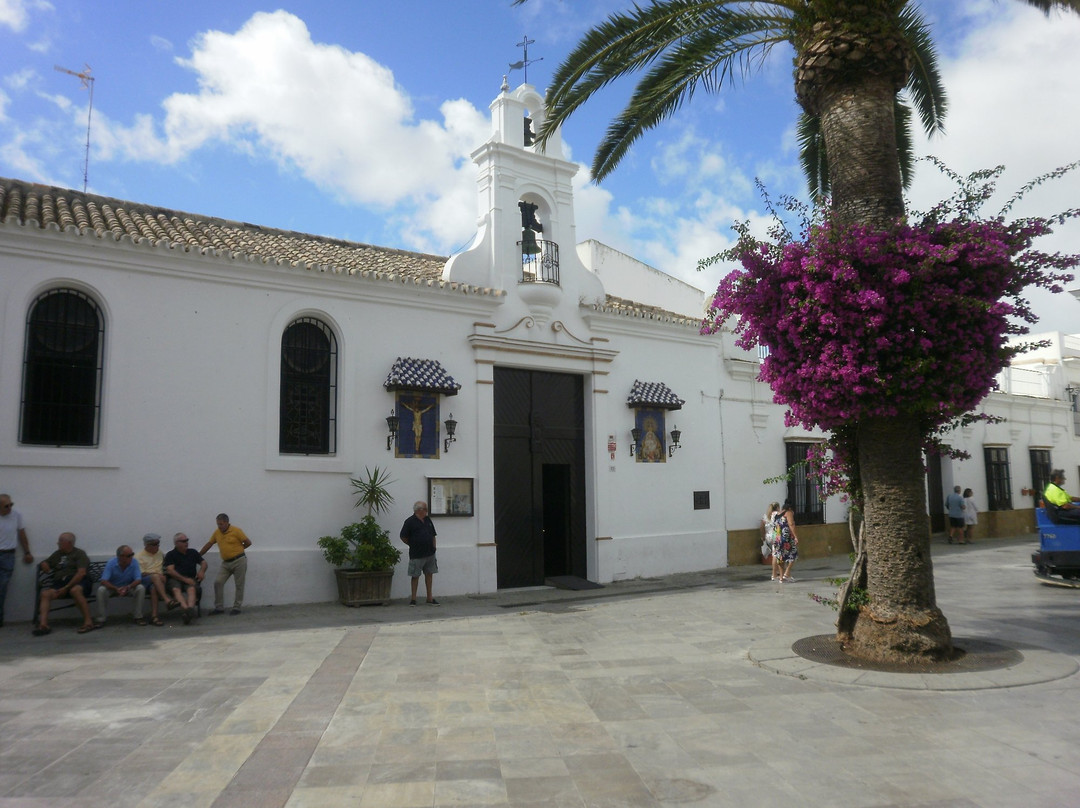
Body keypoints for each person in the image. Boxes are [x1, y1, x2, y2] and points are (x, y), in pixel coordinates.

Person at [34, 532, 94, 635]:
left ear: (69, 543)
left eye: (61, 541)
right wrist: (44, 564)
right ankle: (43, 625)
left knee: (75, 591)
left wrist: (66, 587)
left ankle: (88, 622)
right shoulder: (58, 554)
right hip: (60, 583)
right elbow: (47, 562)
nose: (58, 543)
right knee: (45, 594)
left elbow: (81, 573)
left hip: (79, 582)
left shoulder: (79, 554)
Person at [199, 513, 251, 616]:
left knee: (239, 584)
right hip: (226, 563)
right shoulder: (217, 533)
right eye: (218, 524)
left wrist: (239, 550)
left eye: (221, 524)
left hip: (239, 561)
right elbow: (209, 544)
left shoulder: (236, 530)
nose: (219, 526)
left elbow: (248, 542)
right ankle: (219, 607)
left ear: (227, 523)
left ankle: (237, 607)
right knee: (218, 582)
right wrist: (198, 555)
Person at [0, 493, 33, 628]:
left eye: (11, 504)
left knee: (2, 587)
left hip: (8, 555)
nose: (10, 508)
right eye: (6, 506)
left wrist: (27, 552)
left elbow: (22, 533)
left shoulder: (16, 515)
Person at [95, 544, 145, 626]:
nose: (131, 557)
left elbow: (138, 579)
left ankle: (138, 617)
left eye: (132, 554)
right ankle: (100, 619)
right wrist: (115, 588)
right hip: (112, 587)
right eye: (129, 555)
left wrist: (128, 587)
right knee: (101, 590)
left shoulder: (134, 562)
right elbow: (103, 581)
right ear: (121, 556)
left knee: (140, 588)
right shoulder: (111, 563)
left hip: (129, 587)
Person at [400, 501, 438, 606]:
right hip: (416, 554)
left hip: (430, 553)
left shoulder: (428, 520)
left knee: (429, 574)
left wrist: (434, 546)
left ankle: (429, 598)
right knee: (415, 575)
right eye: (425, 509)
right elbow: (403, 536)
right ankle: (413, 599)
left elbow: (433, 534)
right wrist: (412, 544)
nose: (427, 511)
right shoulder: (409, 521)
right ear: (419, 510)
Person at [165, 533, 206, 625]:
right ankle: (187, 610)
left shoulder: (192, 552)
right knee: (176, 589)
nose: (186, 543)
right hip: (175, 579)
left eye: (187, 540)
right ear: (176, 543)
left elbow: (203, 563)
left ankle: (188, 611)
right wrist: (184, 579)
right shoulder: (171, 555)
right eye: (183, 541)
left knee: (191, 589)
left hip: (190, 578)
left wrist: (202, 571)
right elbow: (170, 571)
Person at [135, 533, 175, 626]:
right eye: (154, 544)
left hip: (158, 582)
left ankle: (154, 617)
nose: (157, 546)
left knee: (154, 588)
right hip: (144, 580)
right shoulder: (139, 556)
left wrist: (164, 575)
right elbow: (142, 573)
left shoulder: (160, 553)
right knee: (155, 577)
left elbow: (164, 566)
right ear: (146, 545)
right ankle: (167, 600)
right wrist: (157, 575)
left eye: (158, 543)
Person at [772, 500, 799, 582]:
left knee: (780, 557)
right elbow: (791, 524)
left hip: (777, 538)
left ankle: (781, 577)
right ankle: (787, 573)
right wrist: (796, 536)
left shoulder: (777, 514)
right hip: (786, 537)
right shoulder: (788, 513)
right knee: (793, 554)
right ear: (790, 508)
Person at [761, 501, 781, 581]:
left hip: (769, 537)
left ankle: (775, 573)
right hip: (776, 536)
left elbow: (762, 527)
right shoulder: (778, 515)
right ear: (777, 507)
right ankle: (776, 574)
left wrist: (763, 537)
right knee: (777, 555)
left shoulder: (766, 516)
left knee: (774, 554)